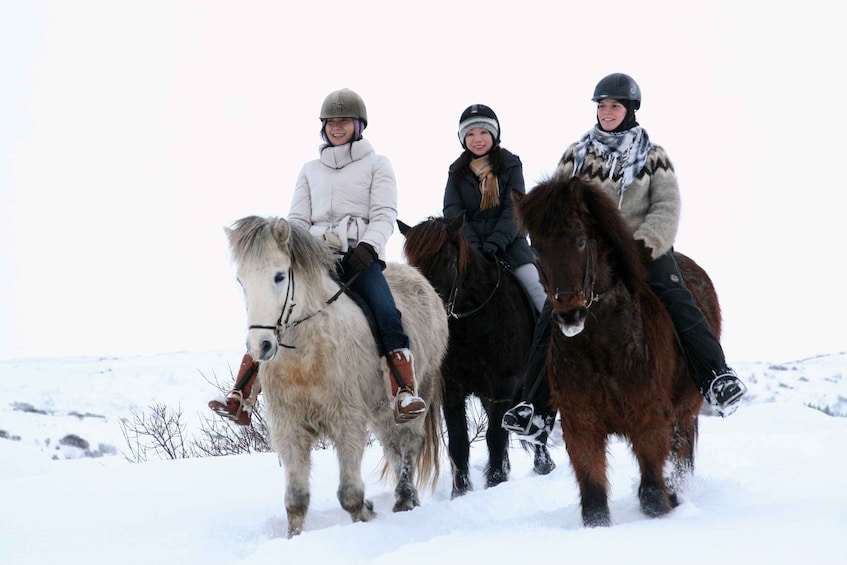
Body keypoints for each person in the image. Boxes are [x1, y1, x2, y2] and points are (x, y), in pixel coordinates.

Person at [502, 73, 748, 440]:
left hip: (642, 250)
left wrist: (645, 246)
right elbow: (555, 208)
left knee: (678, 297)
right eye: (602, 106)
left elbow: (666, 206)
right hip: (588, 258)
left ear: (630, 109)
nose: (607, 112)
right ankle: (535, 410)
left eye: (614, 106)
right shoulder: (576, 154)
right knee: (550, 315)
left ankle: (716, 377)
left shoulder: (653, 156)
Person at [209, 88, 427, 425]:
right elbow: (296, 221)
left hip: (360, 258)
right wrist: (302, 248)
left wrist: (368, 248)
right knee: (274, 309)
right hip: (314, 259)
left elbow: (384, 214)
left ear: (359, 125)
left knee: (386, 310)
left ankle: (403, 391)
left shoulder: (378, 164)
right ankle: (242, 394)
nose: (336, 127)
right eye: (330, 122)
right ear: (323, 127)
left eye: (344, 121)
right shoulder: (310, 170)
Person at [443, 104, 547, 315]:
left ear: (494, 133)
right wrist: (473, 245)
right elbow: (453, 211)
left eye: (483, 131)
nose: (477, 138)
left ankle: (554, 341)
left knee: (536, 290)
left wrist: (496, 242)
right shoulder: (456, 171)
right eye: (470, 134)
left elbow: (513, 208)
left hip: (510, 245)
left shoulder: (510, 164)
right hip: (471, 250)